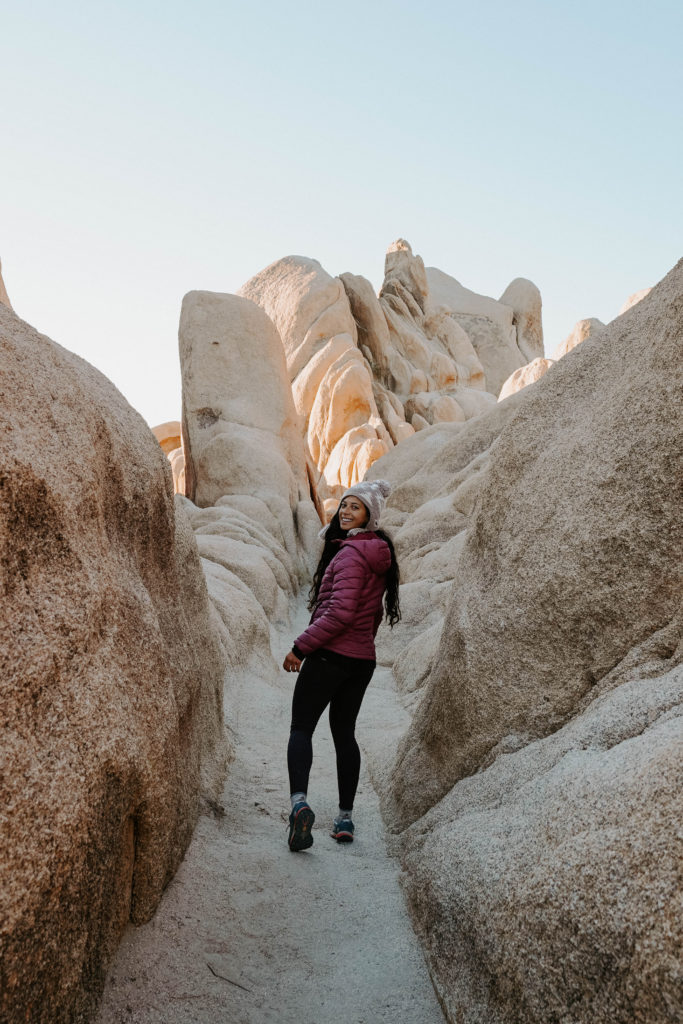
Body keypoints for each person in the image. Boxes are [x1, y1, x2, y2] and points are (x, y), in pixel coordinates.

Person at [282, 479, 400, 852]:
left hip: (330, 655)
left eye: (356, 508)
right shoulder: (378, 553)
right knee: (344, 734)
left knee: (301, 728)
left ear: (370, 516)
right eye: (344, 505)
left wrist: (301, 647)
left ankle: (299, 805)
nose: (346, 512)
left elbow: (340, 612)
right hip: (361, 660)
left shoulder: (350, 554)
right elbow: (370, 616)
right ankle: (345, 817)